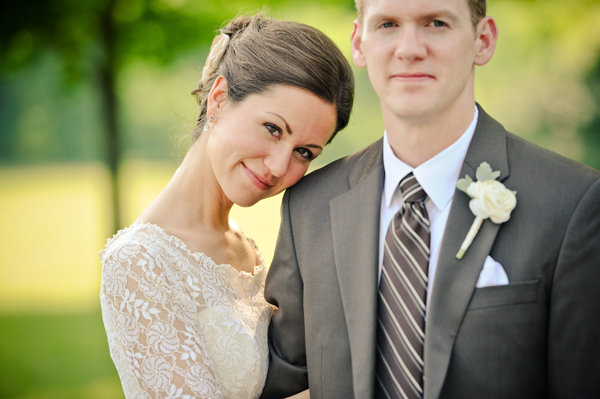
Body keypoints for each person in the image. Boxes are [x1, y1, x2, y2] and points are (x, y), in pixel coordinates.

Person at [261, 0, 600, 397]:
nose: (409, 48)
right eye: (387, 24)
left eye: (436, 23)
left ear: (483, 40)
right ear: (359, 42)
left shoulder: (573, 202)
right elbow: (285, 385)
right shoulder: (309, 207)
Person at [99, 13, 353, 399]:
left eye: (304, 152)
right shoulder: (137, 263)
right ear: (218, 99)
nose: (279, 167)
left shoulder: (247, 250)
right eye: (272, 128)